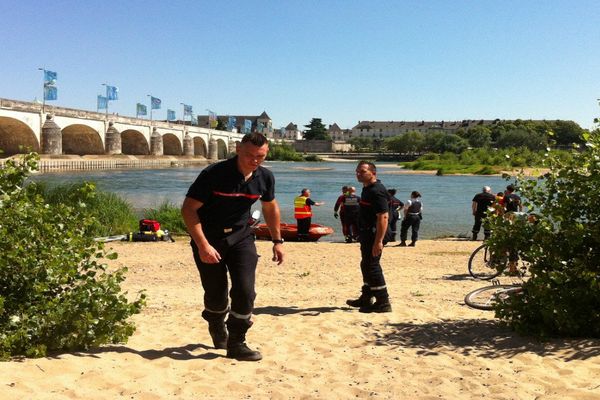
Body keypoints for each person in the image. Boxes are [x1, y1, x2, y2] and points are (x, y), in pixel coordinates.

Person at [181, 132, 284, 362]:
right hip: (209, 238)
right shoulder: (214, 174)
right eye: (250, 155)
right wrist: (203, 245)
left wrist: (277, 241)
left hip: (242, 238)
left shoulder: (265, 177)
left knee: (245, 291)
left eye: (261, 156)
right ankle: (216, 323)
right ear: (238, 149)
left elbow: (270, 208)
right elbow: (189, 209)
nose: (255, 161)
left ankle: (237, 342)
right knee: (216, 296)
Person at [346, 161, 392, 313]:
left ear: (373, 173)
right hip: (367, 233)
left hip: (375, 235)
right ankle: (366, 297)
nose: (358, 174)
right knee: (365, 264)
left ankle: (383, 302)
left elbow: (383, 217)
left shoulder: (376, 191)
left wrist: (378, 241)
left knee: (372, 266)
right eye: (357, 171)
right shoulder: (367, 188)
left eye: (363, 171)